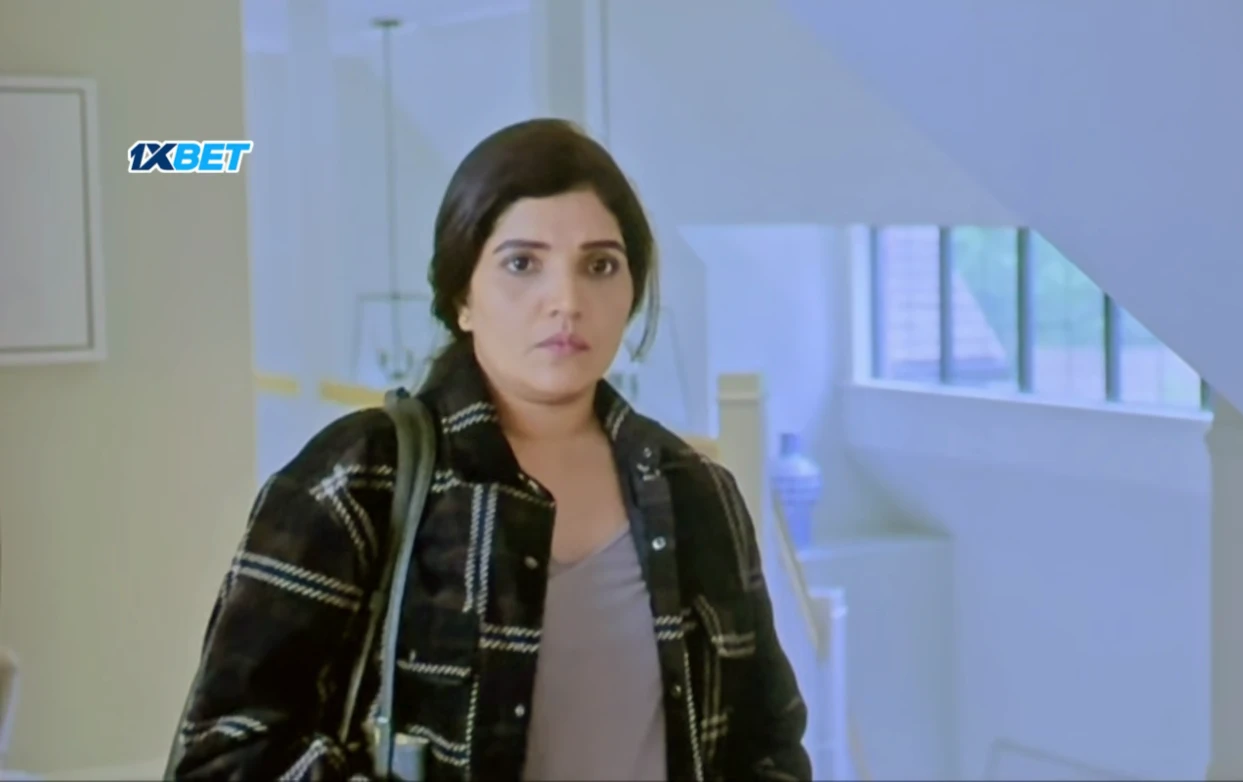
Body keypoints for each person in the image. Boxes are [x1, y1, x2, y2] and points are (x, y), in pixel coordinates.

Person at [167, 119, 810, 781]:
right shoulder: (360, 477)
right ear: (461, 297)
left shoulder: (695, 492)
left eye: (599, 265)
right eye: (522, 264)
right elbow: (225, 753)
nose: (566, 301)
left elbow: (769, 744)